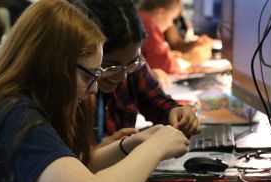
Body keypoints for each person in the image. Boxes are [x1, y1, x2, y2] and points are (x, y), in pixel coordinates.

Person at [0, 0, 189, 182]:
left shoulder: (11, 102)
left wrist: (130, 144)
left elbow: (71, 170)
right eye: (89, 77)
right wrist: (155, 147)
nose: (95, 89)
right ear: (52, 65)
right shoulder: (14, 117)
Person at [81, 0, 200, 144]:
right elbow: (62, 156)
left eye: (131, 63)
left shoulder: (131, 64)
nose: (123, 76)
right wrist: (98, 150)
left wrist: (176, 113)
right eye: (111, 67)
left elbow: (156, 101)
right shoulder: (71, 90)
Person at [138, 0, 183, 75]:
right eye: (172, 18)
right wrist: (181, 62)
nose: (170, 24)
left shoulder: (139, 18)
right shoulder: (148, 28)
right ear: (160, 13)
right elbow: (164, 66)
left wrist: (169, 56)